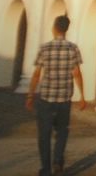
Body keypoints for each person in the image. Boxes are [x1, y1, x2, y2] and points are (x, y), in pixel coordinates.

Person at [25, 15, 87, 176]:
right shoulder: (73, 48)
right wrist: (82, 96)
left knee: (44, 135)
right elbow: (77, 73)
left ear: (54, 28)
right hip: (64, 98)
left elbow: (37, 75)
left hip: (46, 97)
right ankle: (57, 161)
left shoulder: (45, 48)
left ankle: (45, 169)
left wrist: (30, 96)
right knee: (62, 131)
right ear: (66, 29)